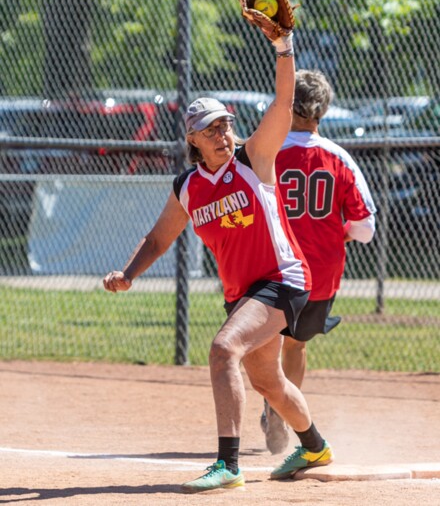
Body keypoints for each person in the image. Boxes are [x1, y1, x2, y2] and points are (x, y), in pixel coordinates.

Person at [103, 32, 334, 492]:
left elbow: (284, 103)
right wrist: (128, 274)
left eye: (225, 124)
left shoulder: (253, 158)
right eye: (211, 129)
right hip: (244, 294)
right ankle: (314, 446)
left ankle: (228, 465)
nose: (222, 133)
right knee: (267, 379)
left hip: (282, 279)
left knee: (224, 349)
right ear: (192, 138)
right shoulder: (188, 187)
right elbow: (158, 237)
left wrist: (283, 46)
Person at [260, 69, 377, 455]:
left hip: (270, 265)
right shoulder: (339, 158)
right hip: (319, 275)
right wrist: (340, 231)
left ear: (287, 105)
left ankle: (273, 406)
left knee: (264, 344)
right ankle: (280, 414)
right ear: (323, 110)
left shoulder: (265, 150)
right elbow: (365, 228)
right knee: (295, 346)